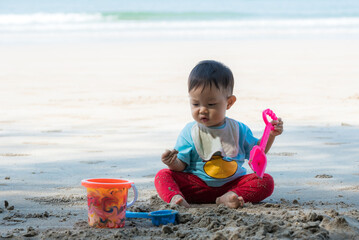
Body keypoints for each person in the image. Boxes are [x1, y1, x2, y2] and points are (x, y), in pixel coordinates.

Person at [154, 60, 284, 209]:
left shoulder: (239, 129)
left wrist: (271, 134)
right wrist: (172, 163)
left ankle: (227, 198)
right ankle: (176, 198)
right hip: (196, 186)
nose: (202, 110)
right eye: (196, 104)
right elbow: (181, 166)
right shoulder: (189, 132)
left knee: (266, 181)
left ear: (229, 103)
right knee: (163, 175)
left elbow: (258, 153)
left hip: (232, 186)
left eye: (211, 104)